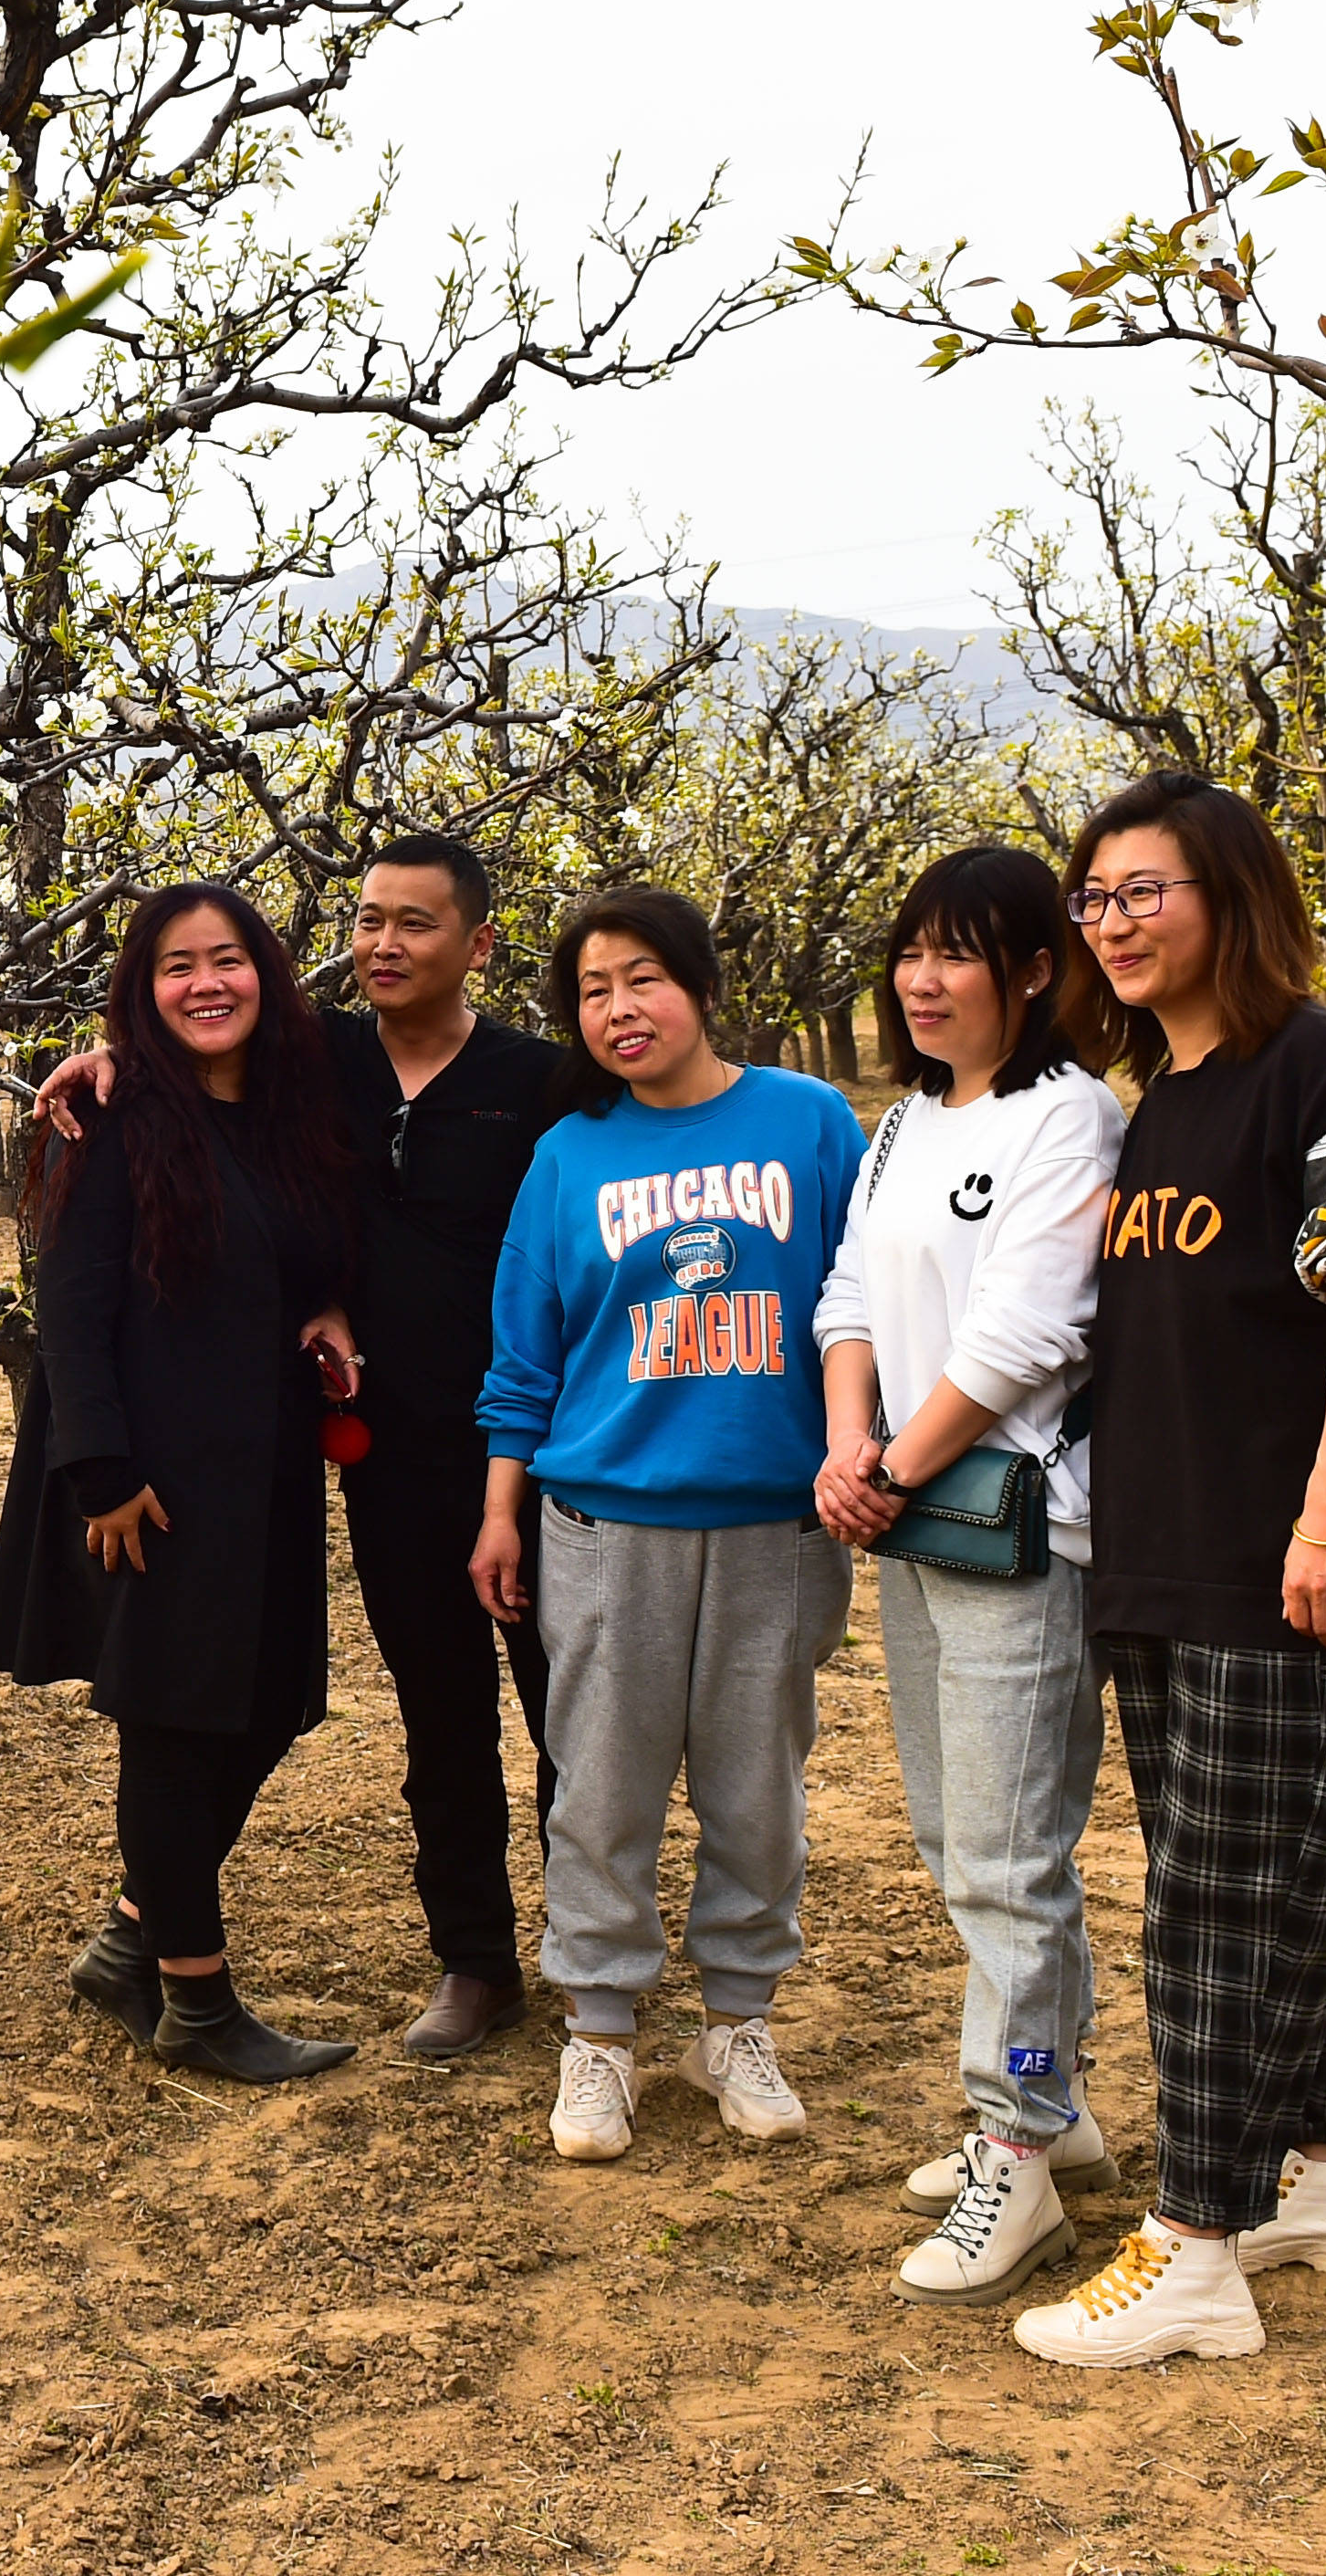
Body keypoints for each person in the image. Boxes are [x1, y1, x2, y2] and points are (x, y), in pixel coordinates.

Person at [1007, 772, 1326, 2369]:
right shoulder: (1163, 1090)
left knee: (1220, 1906)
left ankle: (1196, 2245)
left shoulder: (1322, 1061)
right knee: (1278, 1884)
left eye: (1143, 889)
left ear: (1230, 894)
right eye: (1094, 899)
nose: (1115, 922)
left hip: (1282, 1563)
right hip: (1170, 1555)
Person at [29, 833, 575, 2058]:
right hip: (384, 1455)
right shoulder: (319, 1060)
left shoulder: (541, 1082)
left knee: (571, 1724)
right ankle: (475, 1964)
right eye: (367, 922)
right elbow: (190, 1047)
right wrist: (106, 1058)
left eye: (415, 925)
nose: (382, 945)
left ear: (479, 944)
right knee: (440, 1719)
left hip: (536, 1450)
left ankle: (593, 1962)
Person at [473, 888, 867, 2162]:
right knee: (604, 1786)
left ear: (699, 984)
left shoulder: (808, 1121)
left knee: (758, 1789)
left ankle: (737, 2021)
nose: (619, 1010)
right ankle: (599, 2036)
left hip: (775, 1526)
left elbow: (864, 1306)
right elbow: (523, 1355)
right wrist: (500, 1512)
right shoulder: (569, 1157)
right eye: (591, 991)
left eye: (642, 979)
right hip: (601, 1523)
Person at [807, 846, 1130, 2307]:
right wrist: (845, 1439)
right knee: (957, 1836)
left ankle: (1016, 2153)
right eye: (910, 954)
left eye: (959, 954)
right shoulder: (899, 1128)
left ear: (1037, 972)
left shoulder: (1072, 1123)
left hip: (1012, 1531)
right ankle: (1052, 2112)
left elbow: (1028, 1335)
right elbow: (854, 1295)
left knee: (1010, 1855)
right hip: (915, 1518)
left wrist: (886, 1466)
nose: (923, 982)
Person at [0, 881, 366, 2085]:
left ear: (268, 973)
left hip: (264, 1471)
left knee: (265, 1705)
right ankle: (195, 2003)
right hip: (150, 1481)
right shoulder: (115, 1121)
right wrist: (99, 1475)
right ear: (140, 996)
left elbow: (306, 1258)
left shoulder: (292, 1104)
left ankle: (133, 1939)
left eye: (229, 959)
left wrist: (328, 1311)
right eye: (175, 967)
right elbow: (71, 1314)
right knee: (170, 1724)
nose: (207, 984)